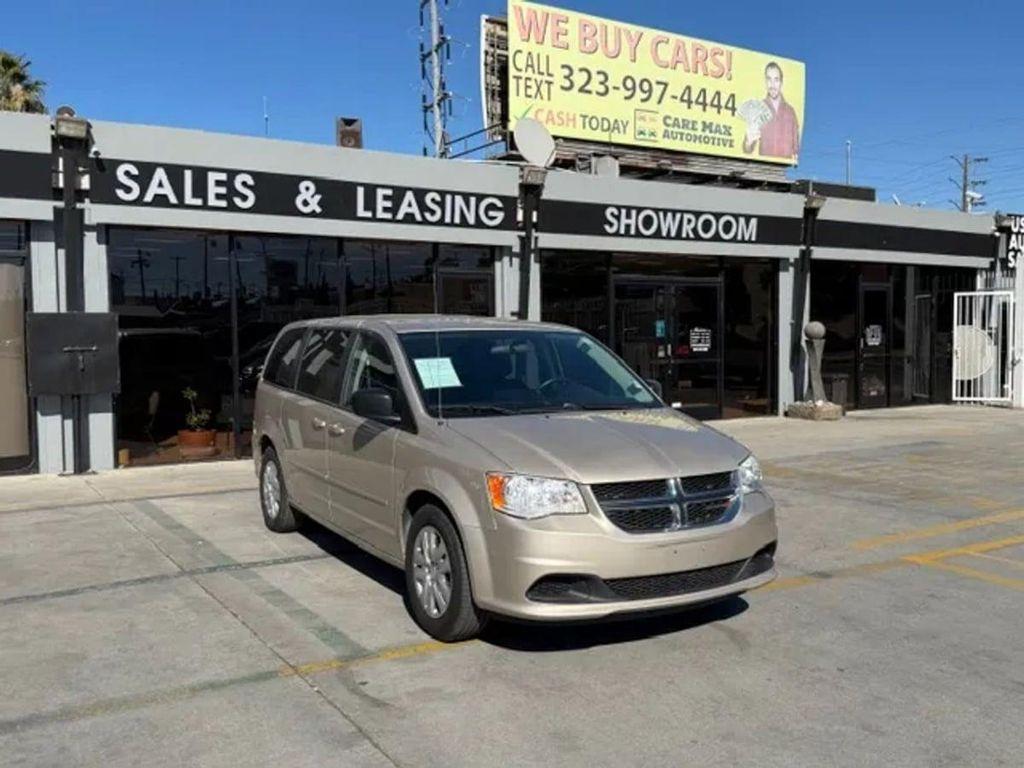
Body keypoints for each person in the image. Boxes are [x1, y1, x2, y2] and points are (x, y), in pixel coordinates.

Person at [743, 62, 800, 160]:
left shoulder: (790, 112)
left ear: (781, 82)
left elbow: (796, 149)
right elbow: (747, 149)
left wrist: (795, 155)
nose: (772, 85)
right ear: (765, 81)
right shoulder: (758, 108)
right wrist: (748, 142)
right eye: (769, 79)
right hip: (763, 169)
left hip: (782, 172)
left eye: (776, 80)